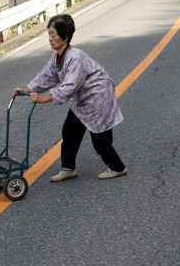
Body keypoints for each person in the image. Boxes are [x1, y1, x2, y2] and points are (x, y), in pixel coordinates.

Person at [18, 14, 127, 182]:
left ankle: (118, 168)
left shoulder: (75, 57)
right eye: (49, 35)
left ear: (65, 36)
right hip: (82, 100)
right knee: (69, 132)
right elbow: (47, 75)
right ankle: (68, 168)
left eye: (53, 35)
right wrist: (28, 89)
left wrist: (43, 98)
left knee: (100, 139)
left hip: (97, 98)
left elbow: (68, 87)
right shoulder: (58, 55)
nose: (50, 39)